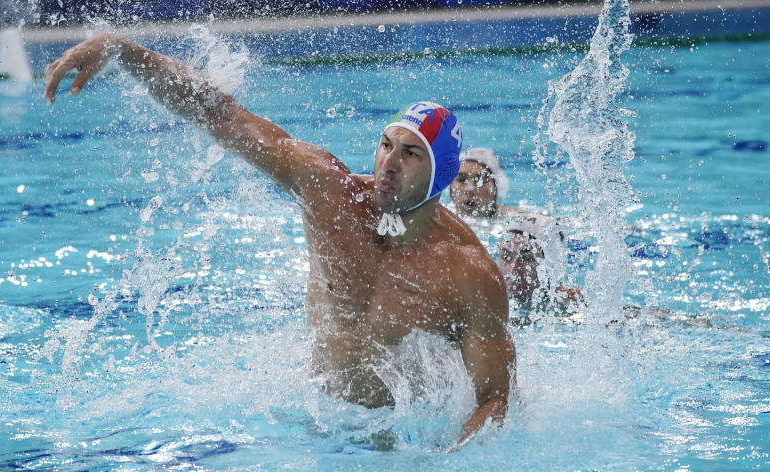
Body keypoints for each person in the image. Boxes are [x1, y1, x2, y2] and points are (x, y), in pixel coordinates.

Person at [44, 33, 515, 447]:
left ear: (442, 176)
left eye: (411, 153)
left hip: (401, 438)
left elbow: (493, 398)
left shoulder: (467, 273)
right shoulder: (329, 193)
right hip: (315, 422)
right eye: (386, 143)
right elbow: (223, 115)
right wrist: (124, 52)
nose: (388, 163)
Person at [448, 147, 582, 309]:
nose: (469, 189)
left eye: (480, 180)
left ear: (497, 187)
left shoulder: (516, 219)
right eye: (461, 180)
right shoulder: (441, 225)